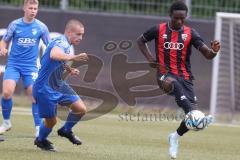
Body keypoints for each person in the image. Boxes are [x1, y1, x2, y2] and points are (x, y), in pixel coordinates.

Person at [137, 1, 220, 159]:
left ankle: (175, 137)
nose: (179, 21)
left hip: (185, 77)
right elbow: (140, 41)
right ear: (170, 16)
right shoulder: (158, 29)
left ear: (186, 17)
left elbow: (207, 55)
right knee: (174, 86)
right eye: (176, 18)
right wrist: (149, 58)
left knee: (190, 117)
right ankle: (196, 115)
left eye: (182, 18)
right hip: (164, 75)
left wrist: (214, 51)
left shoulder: (191, 33)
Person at [33, 19, 88, 151]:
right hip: (44, 88)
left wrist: (69, 69)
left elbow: (57, 59)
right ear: (69, 32)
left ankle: (66, 130)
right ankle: (40, 140)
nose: (80, 38)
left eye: (82, 35)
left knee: (81, 109)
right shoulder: (61, 42)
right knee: (51, 121)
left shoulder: (66, 43)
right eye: (78, 34)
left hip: (58, 85)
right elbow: (54, 54)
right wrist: (73, 58)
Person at [0, 0, 50, 137]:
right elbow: (4, 40)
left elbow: (49, 45)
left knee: (35, 97)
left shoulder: (41, 27)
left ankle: (39, 128)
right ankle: (6, 123)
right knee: (6, 93)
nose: (33, 11)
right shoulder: (15, 25)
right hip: (14, 64)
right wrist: (2, 48)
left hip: (31, 67)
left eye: (35, 8)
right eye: (31, 8)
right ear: (24, 8)